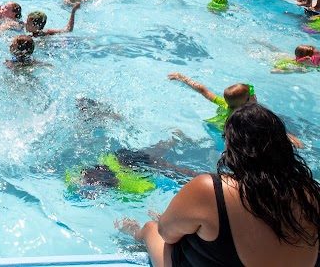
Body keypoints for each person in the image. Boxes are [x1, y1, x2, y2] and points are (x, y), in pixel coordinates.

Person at [121, 103, 318, 266]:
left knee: (152, 228)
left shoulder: (211, 188)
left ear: (232, 145)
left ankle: (133, 233)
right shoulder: (309, 192)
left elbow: (167, 234)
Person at [165, 73, 303, 149]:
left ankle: (185, 139)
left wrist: (183, 78)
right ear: (247, 102)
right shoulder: (249, 117)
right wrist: (289, 137)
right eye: (252, 95)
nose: (255, 96)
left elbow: (203, 90)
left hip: (211, 126)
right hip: (226, 134)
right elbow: (269, 128)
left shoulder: (224, 103)